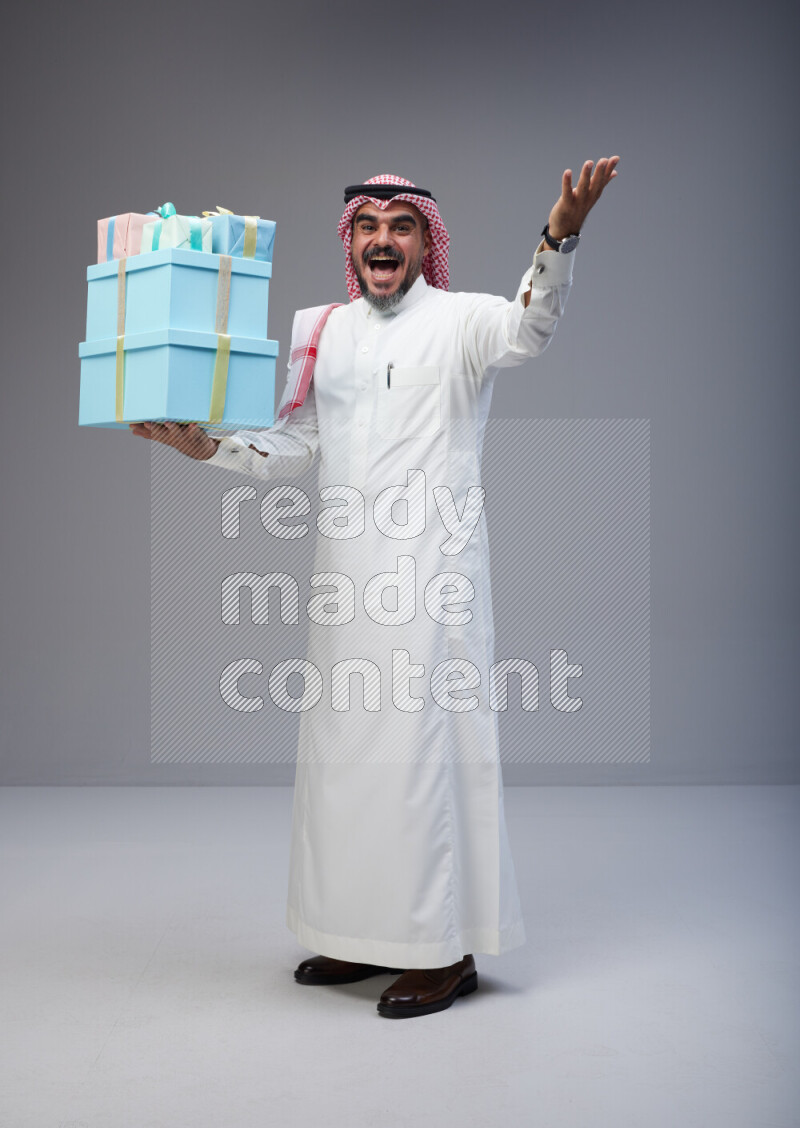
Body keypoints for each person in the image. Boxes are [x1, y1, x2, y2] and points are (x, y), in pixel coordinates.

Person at [131, 161, 619, 1019]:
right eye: (368, 225)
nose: (382, 239)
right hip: (344, 584)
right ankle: (358, 934)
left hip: (433, 584)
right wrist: (205, 448)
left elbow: (533, 328)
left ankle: (442, 952)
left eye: (401, 225)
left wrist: (559, 238)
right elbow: (294, 442)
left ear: (425, 240)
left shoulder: (466, 321)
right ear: (350, 241)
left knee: (424, 761)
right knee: (347, 762)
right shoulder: (322, 330)